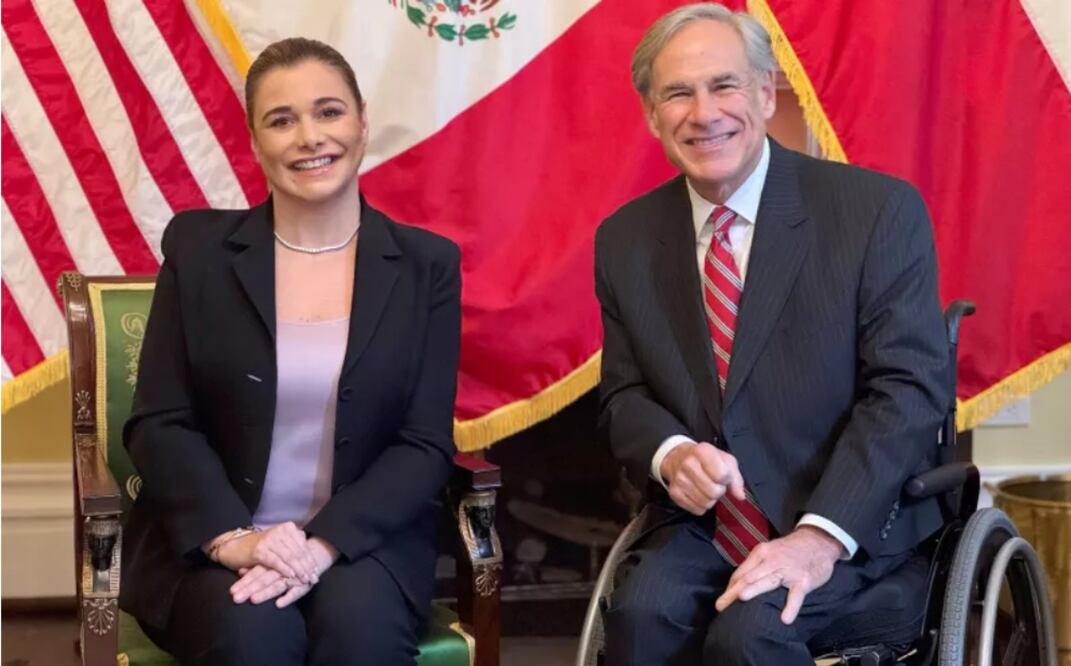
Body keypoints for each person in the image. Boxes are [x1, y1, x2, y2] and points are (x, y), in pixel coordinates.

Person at [594, 4, 950, 664]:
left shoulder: (875, 212)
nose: (704, 114)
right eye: (678, 93)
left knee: (750, 635)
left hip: (847, 515)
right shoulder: (625, 239)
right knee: (641, 618)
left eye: (723, 85)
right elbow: (624, 394)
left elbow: (906, 392)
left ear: (763, 92)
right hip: (704, 523)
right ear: (651, 115)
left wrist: (820, 537)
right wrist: (671, 452)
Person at [119, 37, 461, 665]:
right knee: (255, 634)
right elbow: (160, 423)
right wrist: (233, 540)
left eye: (328, 112)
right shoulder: (198, 253)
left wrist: (321, 546)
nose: (309, 137)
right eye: (282, 120)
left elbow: (423, 442)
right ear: (255, 142)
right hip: (215, 541)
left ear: (362, 123)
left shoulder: (426, 266)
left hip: (362, 544)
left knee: (360, 634)